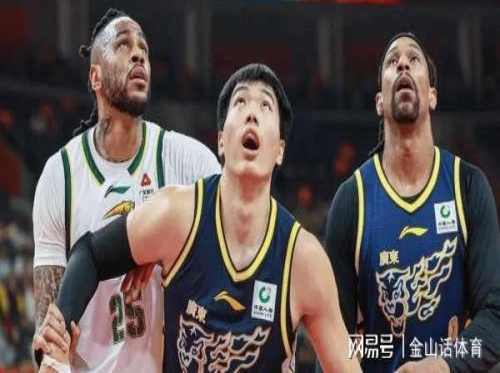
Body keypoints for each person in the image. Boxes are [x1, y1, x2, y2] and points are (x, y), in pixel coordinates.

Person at [34, 63, 361, 372]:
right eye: (240, 102)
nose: (251, 113)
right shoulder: (176, 216)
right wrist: (60, 329)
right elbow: (90, 252)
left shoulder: (303, 259)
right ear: (221, 140)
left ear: (279, 150)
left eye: (265, 106)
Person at [32, 8, 221, 372]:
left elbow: (235, 262)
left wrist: (161, 242)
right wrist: (50, 354)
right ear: (95, 77)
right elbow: (47, 333)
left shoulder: (190, 162)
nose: (138, 55)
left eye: (144, 49)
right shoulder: (60, 176)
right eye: (123, 45)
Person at [317, 33, 500, 372]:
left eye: (414, 59)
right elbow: (333, 340)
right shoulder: (352, 200)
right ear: (379, 102)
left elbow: (495, 316)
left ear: (432, 96)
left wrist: (443, 365)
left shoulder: (468, 185)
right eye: (392, 61)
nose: (402, 63)